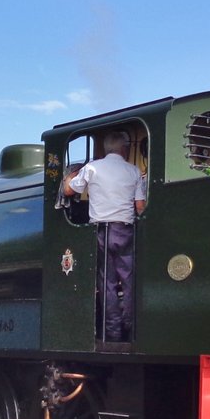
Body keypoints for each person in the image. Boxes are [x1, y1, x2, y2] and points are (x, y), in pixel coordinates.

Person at [62, 130, 147, 344]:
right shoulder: (134, 171)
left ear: (105, 149)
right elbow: (140, 207)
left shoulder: (92, 168)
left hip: (102, 231)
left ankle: (112, 332)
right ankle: (130, 327)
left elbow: (68, 191)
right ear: (124, 149)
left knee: (107, 283)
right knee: (129, 281)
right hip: (126, 230)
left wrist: (71, 174)